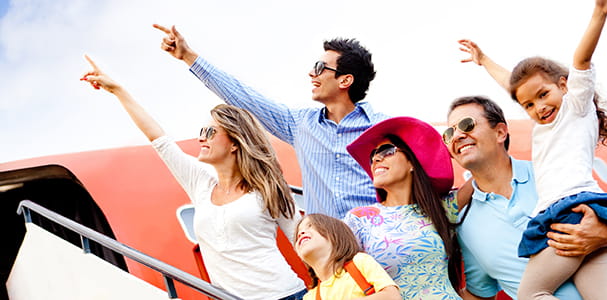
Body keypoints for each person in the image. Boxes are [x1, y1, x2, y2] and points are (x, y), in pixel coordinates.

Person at [80, 55, 307, 300]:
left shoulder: (268, 188)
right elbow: (159, 140)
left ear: (234, 143)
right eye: (201, 132)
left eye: (210, 132)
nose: (202, 138)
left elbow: (302, 242)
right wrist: (118, 91)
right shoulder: (200, 183)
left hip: (285, 295)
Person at [458, 1, 607, 299]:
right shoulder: (544, 122)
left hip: (568, 211)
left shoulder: (575, 109)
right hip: (590, 211)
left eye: (544, 94)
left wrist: (599, 15)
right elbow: (511, 85)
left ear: (564, 85)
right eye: (529, 105)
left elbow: (582, 60)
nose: (539, 107)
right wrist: (484, 60)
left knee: (531, 294)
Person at [153, 24, 388, 218]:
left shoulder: (385, 130)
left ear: (345, 81)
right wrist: (188, 57)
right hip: (330, 253)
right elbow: (244, 96)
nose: (311, 74)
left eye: (320, 68)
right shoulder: (300, 124)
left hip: (378, 246)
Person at [444, 96, 607, 300]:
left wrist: (601, 236)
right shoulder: (466, 224)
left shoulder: (553, 173)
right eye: (449, 133)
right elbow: (480, 293)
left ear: (500, 132)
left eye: (467, 125)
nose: (457, 136)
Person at [343, 117, 463, 299]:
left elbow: (487, 177)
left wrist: (449, 150)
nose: (376, 158)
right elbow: (338, 276)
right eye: (372, 155)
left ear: (412, 163)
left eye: (386, 151)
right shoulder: (359, 219)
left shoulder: (443, 206)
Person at [294, 213, 401, 300]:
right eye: (298, 233)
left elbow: (392, 296)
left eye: (310, 226)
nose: (301, 233)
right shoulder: (310, 297)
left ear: (336, 236)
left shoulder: (360, 262)